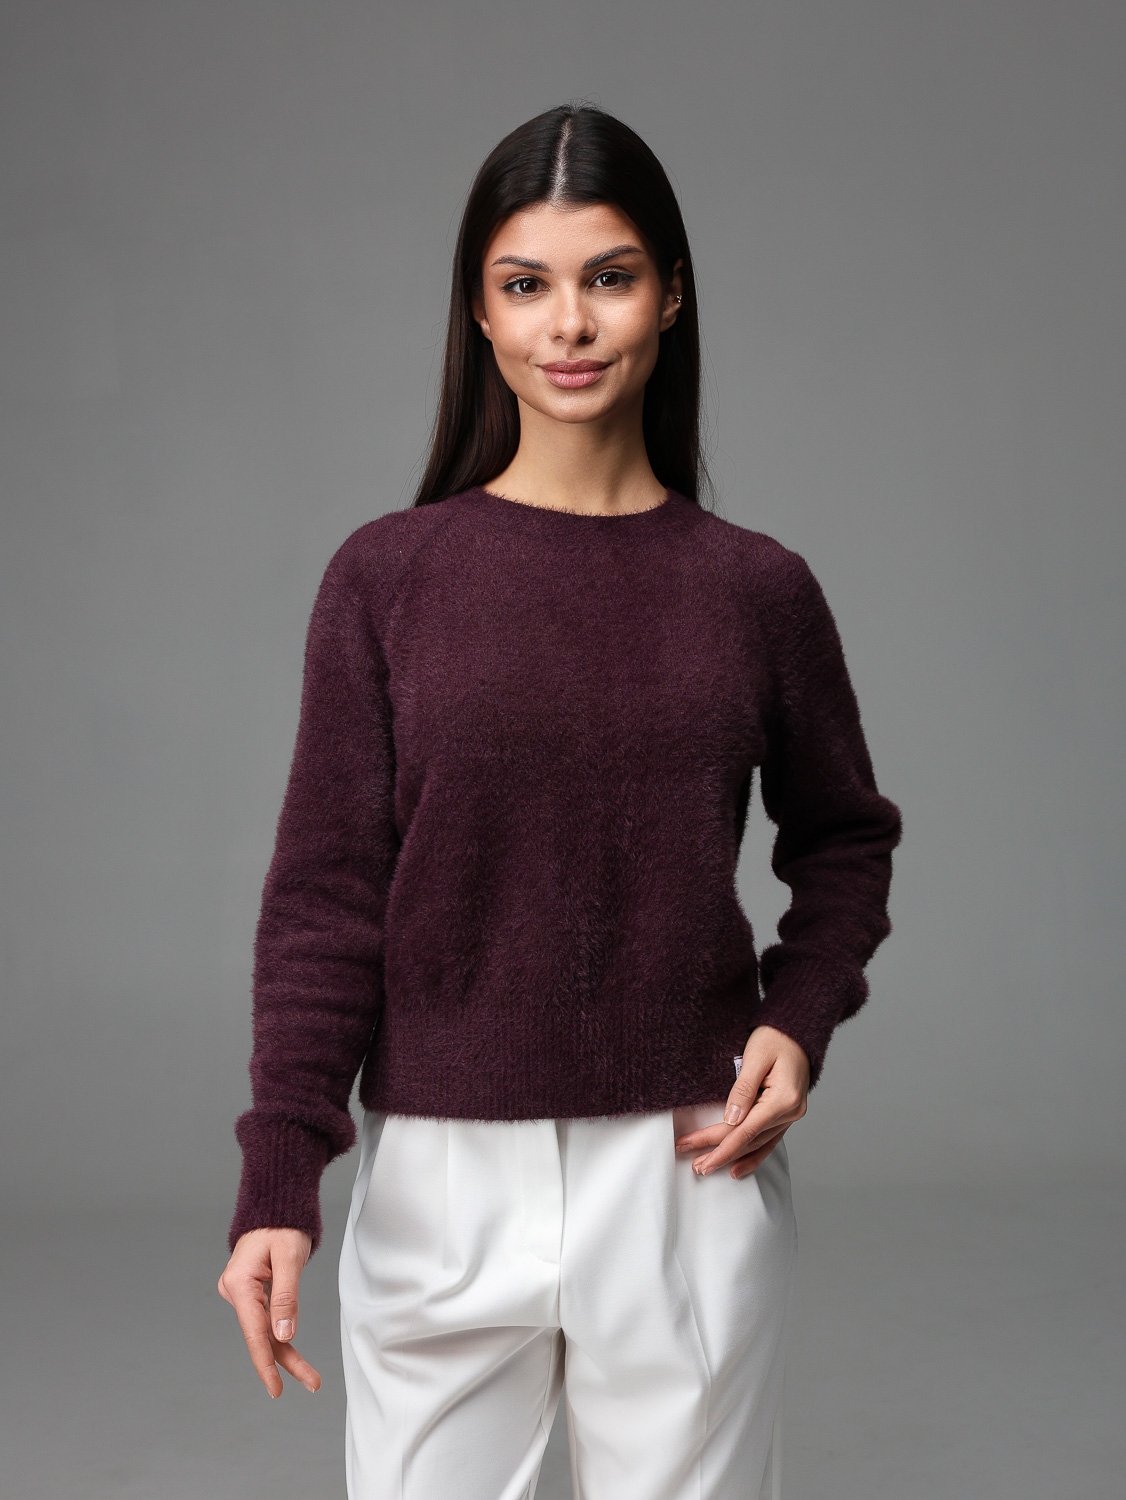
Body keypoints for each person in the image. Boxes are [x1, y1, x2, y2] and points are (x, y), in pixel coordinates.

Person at [217, 102, 902, 1500]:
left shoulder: (755, 589)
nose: (569, 324)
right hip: (442, 1175)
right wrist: (279, 1179)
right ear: (478, 312)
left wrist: (798, 1017)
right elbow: (326, 899)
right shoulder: (386, 579)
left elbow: (844, 838)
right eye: (525, 284)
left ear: (671, 296)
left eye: (610, 277)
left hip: (685, 1165)